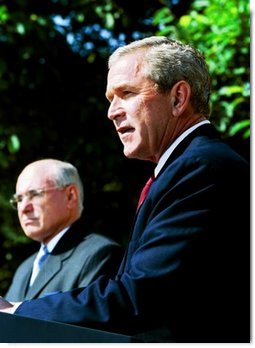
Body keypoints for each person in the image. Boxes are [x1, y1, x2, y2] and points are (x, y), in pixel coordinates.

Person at [0, 37, 249, 343]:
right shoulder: (183, 169)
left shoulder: (201, 168)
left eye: (126, 93)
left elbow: (141, 296)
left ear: (178, 98)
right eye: (110, 98)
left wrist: (17, 311)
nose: (112, 111)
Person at [5, 159, 123, 301]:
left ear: (70, 196)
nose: (24, 208)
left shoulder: (98, 254)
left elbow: (86, 318)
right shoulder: (24, 269)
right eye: (19, 199)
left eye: (35, 194)